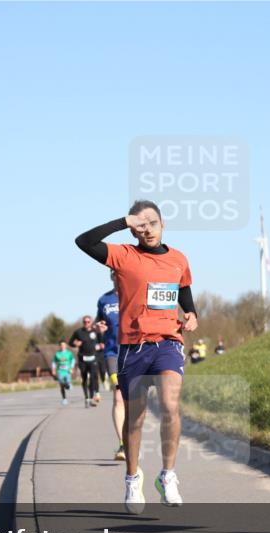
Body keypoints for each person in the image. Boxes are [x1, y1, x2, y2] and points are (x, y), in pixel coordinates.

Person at [75, 200, 198, 513]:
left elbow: (183, 289)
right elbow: (83, 241)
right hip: (133, 348)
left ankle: (168, 476)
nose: (148, 230)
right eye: (141, 226)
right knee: (135, 420)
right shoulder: (123, 256)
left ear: (163, 224)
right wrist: (122, 221)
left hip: (168, 342)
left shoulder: (178, 258)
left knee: (170, 405)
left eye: (153, 223)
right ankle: (132, 478)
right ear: (134, 230)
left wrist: (191, 313)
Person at [95, 270, 125, 461]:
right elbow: (99, 321)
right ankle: (123, 444)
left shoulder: (136, 293)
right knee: (118, 396)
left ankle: (132, 438)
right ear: (111, 276)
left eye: (120, 273)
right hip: (112, 353)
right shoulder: (104, 300)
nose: (117, 276)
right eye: (114, 273)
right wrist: (100, 327)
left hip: (134, 351)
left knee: (133, 400)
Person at [69, 315, 102, 407]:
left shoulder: (96, 331)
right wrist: (75, 343)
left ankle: (92, 396)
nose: (86, 323)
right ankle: (86, 398)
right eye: (84, 322)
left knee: (93, 377)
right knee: (84, 378)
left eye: (88, 322)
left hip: (93, 357)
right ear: (83, 322)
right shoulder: (78, 332)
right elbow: (70, 342)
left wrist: (101, 346)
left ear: (91, 322)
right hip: (82, 358)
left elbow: (102, 342)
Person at [51, 341, 75, 405]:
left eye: (64, 345)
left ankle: (68, 385)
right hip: (60, 371)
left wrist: (71, 368)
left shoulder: (69, 353)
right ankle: (64, 399)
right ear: (59, 346)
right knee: (61, 385)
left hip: (67, 371)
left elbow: (73, 360)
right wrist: (53, 370)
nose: (63, 346)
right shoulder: (57, 354)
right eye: (61, 345)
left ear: (66, 346)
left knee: (67, 383)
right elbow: (54, 362)